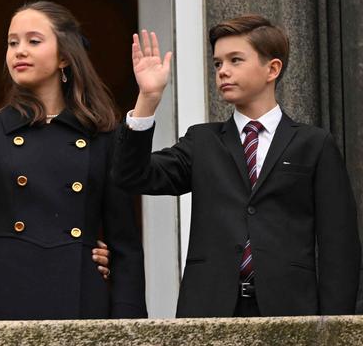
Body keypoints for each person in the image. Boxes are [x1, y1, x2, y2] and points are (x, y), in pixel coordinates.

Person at [0, 1, 146, 320]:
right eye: (12, 42)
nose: (19, 51)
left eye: (34, 41)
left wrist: (129, 329)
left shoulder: (102, 137)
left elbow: (125, 247)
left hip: (80, 298)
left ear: (64, 56)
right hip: (2, 296)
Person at [115, 16, 360, 317]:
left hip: (291, 309)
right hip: (210, 309)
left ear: (272, 69)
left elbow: (340, 244)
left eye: (235, 60)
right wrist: (148, 100)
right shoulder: (202, 141)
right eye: (218, 64)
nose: (223, 72)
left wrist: (336, 326)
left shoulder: (314, 144)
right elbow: (132, 176)